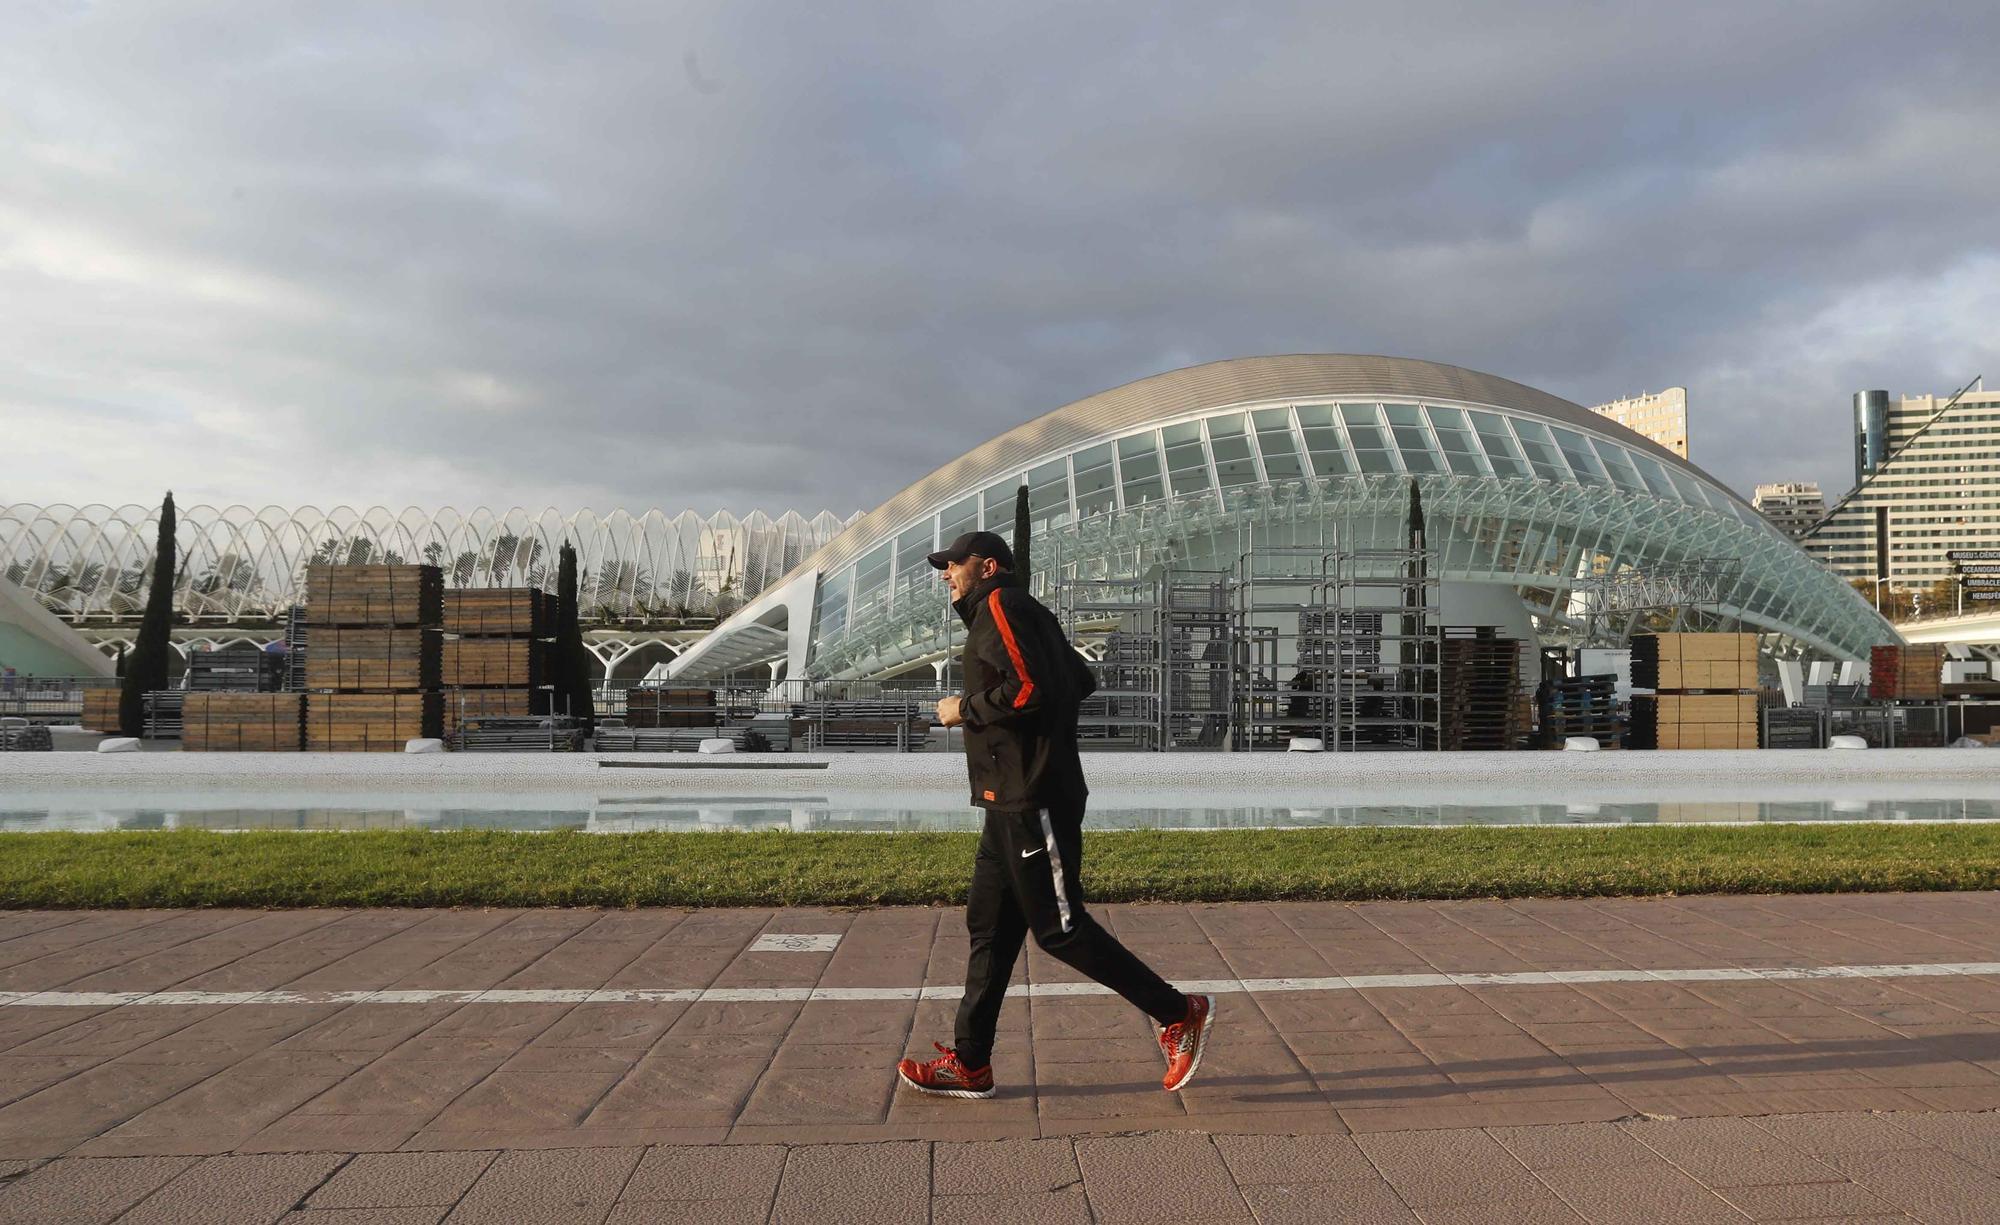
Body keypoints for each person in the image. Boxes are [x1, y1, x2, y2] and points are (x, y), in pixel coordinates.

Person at [896, 530, 1214, 1100]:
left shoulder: (1001, 605)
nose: (945, 574)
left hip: (1033, 797)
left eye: (953, 565)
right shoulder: (1017, 611)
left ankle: (1177, 1012)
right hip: (1007, 799)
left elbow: (1031, 690)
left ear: (987, 566)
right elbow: (1079, 678)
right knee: (988, 926)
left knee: (1059, 930)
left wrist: (961, 710)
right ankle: (970, 1063)